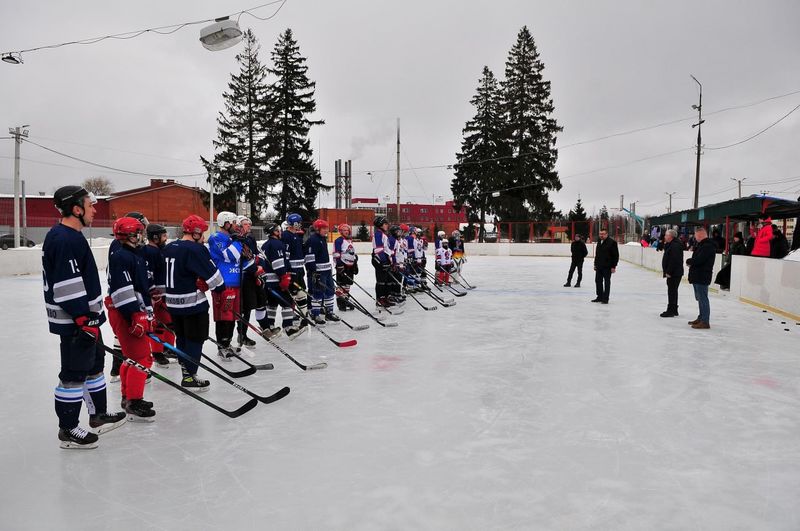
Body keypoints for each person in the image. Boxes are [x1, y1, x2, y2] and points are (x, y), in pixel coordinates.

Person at [43, 185, 126, 449]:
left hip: (87, 319)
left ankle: (97, 415)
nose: (94, 209)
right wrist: (82, 319)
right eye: (90, 205)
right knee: (73, 374)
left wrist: (90, 317)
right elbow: (66, 286)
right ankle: (67, 429)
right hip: (75, 323)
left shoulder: (72, 236)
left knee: (93, 365)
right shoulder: (64, 239)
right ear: (76, 209)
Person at [162, 215, 225, 389]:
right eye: (202, 233)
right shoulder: (195, 250)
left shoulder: (169, 247)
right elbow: (217, 281)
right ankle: (190, 375)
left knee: (181, 338)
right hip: (193, 305)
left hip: (173, 304)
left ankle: (186, 374)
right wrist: (212, 285)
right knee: (195, 339)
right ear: (196, 233)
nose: (204, 237)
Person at [105, 217, 156, 421]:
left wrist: (148, 306)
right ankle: (134, 401)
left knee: (133, 357)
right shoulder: (122, 256)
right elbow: (122, 291)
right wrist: (136, 315)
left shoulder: (132, 255)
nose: (142, 236)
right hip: (126, 312)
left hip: (132, 311)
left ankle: (129, 397)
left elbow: (139, 286)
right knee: (141, 357)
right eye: (139, 232)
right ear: (130, 235)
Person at [108, 211, 150, 382]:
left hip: (128, 296)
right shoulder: (121, 249)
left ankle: (119, 368)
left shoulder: (128, 247)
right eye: (141, 228)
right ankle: (118, 368)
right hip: (123, 297)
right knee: (125, 336)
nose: (144, 231)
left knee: (125, 337)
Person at [207, 211, 253, 361]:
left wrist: (249, 255)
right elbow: (230, 256)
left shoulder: (234, 238)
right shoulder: (216, 238)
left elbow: (245, 261)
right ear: (225, 223)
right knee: (224, 316)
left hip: (236, 282)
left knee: (233, 316)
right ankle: (222, 345)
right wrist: (238, 242)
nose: (237, 226)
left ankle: (228, 343)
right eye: (234, 223)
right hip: (223, 284)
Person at [141, 223, 173, 368]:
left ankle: (166, 348)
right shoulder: (150, 252)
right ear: (155, 237)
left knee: (168, 323)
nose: (165, 239)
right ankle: (158, 352)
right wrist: (153, 292)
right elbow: (148, 274)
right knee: (159, 325)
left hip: (163, 294)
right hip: (156, 296)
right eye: (163, 236)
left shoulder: (159, 250)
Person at [260, 223, 295, 337]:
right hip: (276, 282)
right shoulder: (277, 244)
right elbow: (278, 264)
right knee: (288, 302)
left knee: (272, 304)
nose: (280, 232)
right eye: (277, 230)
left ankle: (270, 326)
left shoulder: (265, 245)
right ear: (273, 232)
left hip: (267, 282)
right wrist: (284, 276)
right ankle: (288, 328)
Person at [236, 216, 263, 348]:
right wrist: (253, 268)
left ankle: (243, 334)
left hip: (251, 277)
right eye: (246, 224)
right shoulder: (235, 239)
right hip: (240, 278)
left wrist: (259, 266)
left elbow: (256, 255)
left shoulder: (250, 238)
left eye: (249, 224)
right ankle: (239, 334)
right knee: (240, 308)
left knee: (248, 308)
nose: (249, 227)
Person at [305, 219, 339, 324]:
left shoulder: (322, 239)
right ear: (317, 229)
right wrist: (313, 272)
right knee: (318, 293)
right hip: (318, 272)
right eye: (324, 228)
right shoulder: (313, 240)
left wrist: (329, 269)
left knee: (330, 291)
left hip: (326, 271)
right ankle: (315, 314)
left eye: (327, 228)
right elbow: (309, 258)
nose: (326, 230)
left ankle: (329, 312)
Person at [281, 213, 309, 334]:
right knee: (292, 295)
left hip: (299, 270)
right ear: (295, 223)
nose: (300, 225)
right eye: (299, 222)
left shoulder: (297, 236)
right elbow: (285, 255)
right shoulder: (286, 236)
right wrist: (287, 271)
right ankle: (289, 320)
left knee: (302, 293)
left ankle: (304, 317)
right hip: (292, 271)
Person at [686, 226, 716, 329]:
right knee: (700, 298)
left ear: (699, 235)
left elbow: (700, 260)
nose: (695, 237)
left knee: (703, 298)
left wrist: (689, 261)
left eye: (695, 235)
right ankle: (701, 317)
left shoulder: (707, 246)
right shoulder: (702, 245)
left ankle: (705, 321)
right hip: (698, 275)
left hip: (702, 275)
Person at [371, 216, 395, 310]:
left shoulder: (384, 234)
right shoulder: (378, 234)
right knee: (381, 281)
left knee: (386, 280)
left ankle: (385, 297)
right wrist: (384, 261)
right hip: (379, 260)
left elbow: (387, 249)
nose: (387, 225)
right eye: (385, 224)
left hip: (384, 259)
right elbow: (379, 249)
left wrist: (389, 260)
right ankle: (380, 299)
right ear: (380, 225)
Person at [333, 223, 359, 311]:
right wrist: (339, 265)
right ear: (340, 231)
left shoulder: (350, 240)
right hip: (342, 265)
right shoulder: (339, 240)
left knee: (348, 284)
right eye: (344, 230)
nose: (346, 232)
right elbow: (336, 253)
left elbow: (352, 253)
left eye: (347, 230)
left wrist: (355, 263)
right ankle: (340, 302)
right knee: (341, 285)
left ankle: (346, 300)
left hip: (350, 266)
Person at [660, 229, 684, 317]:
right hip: (674, 272)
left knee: (672, 291)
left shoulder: (675, 246)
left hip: (674, 273)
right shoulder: (671, 244)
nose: (665, 237)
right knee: (673, 291)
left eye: (666, 235)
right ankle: (674, 309)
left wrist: (669, 271)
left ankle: (671, 310)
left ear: (671, 236)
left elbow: (674, 260)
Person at [592, 229, 618, 304]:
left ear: (607, 234)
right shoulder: (599, 242)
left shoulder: (612, 242)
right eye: (600, 234)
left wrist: (613, 266)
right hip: (599, 266)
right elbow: (597, 254)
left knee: (606, 282)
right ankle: (599, 296)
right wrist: (595, 264)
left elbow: (615, 256)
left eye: (603, 234)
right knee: (598, 281)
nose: (601, 235)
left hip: (607, 266)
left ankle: (605, 298)